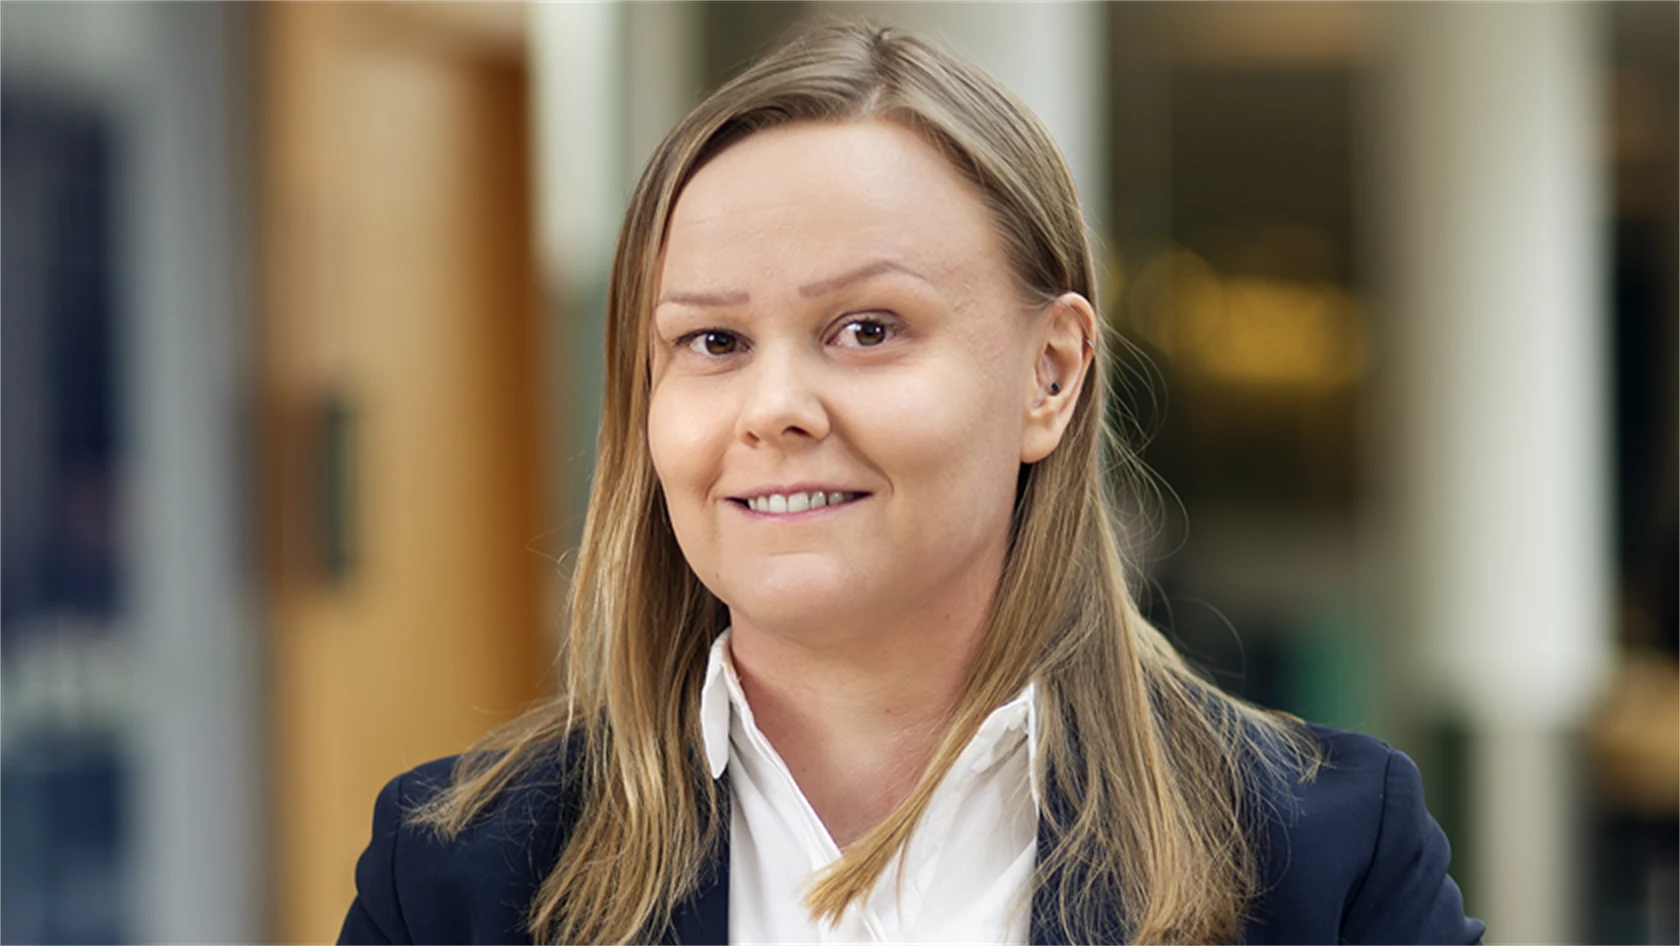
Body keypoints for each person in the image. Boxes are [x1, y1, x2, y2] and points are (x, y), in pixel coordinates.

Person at [338, 20, 1484, 946]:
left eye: (867, 328)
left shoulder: (1326, 861)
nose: (774, 407)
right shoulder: (456, 878)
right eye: (711, 341)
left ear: (1049, 374)